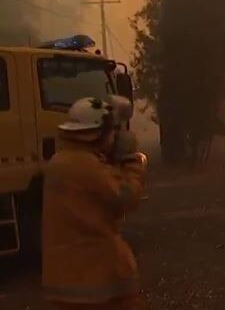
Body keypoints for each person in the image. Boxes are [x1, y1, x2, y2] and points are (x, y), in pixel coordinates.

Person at [42, 96, 149, 310]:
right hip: (96, 281)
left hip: (63, 278)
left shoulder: (60, 161)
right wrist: (132, 162)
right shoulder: (88, 167)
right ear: (98, 134)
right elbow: (127, 197)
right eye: (112, 131)